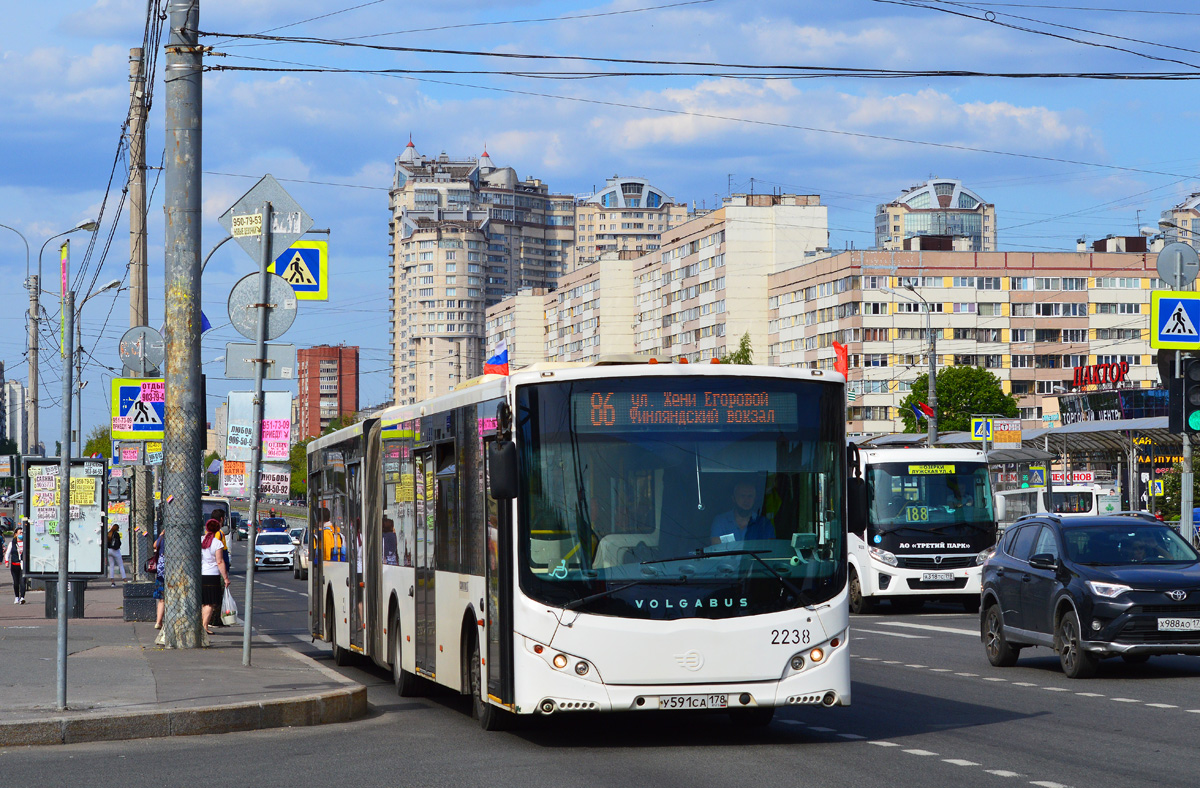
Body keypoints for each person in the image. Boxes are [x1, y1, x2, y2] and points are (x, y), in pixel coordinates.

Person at [200, 515, 231, 635]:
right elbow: (219, 561)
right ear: (218, 529)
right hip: (212, 575)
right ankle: (204, 626)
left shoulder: (201, 540)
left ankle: (202, 624)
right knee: (210, 603)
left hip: (201, 574)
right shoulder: (217, 543)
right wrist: (226, 578)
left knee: (204, 601)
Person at [5, 524, 25, 604]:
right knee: (16, 582)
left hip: (23, 565)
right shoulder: (12, 543)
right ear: (16, 534)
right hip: (14, 565)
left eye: (22, 533)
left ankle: (22, 597)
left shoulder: (26, 543)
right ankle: (17, 597)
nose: (21, 535)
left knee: (23, 582)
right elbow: (7, 553)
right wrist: (7, 562)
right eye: (20, 533)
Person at [151, 530, 166, 629]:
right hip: (172, 569)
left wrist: (161, 535)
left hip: (161, 571)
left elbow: (155, 545)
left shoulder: (162, 539)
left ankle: (158, 621)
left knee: (162, 599)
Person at [106, 520, 127, 587]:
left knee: (111, 566)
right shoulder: (116, 534)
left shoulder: (108, 533)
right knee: (120, 565)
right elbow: (119, 543)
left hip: (109, 550)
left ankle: (112, 582)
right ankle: (124, 580)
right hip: (115, 551)